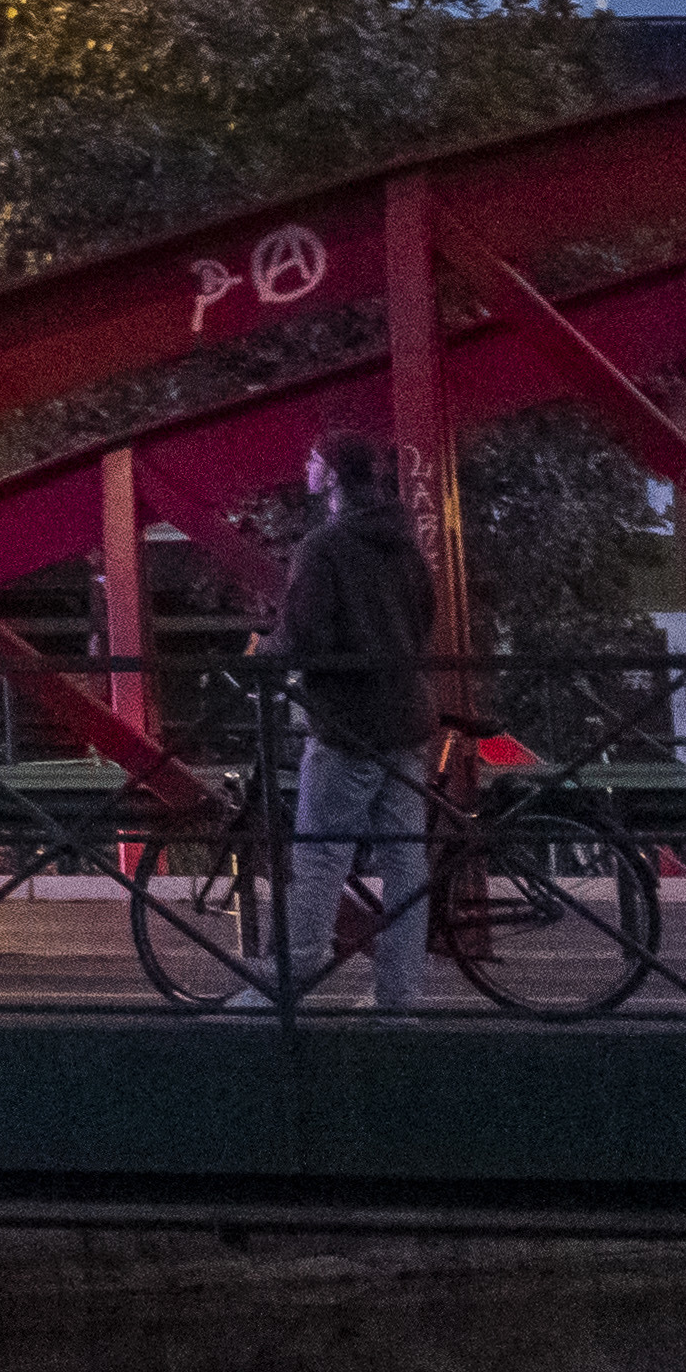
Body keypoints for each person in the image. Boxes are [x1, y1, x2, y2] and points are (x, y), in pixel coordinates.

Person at [262, 433, 440, 1016]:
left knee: (318, 859)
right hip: (407, 720)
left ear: (333, 474)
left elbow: (304, 636)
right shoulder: (404, 545)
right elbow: (422, 623)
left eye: (313, 458)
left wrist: (267, 655)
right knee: (405, 863)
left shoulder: (325, 547)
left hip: (349, 725)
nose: (305, 466)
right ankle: (398, 999)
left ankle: (289, 990)